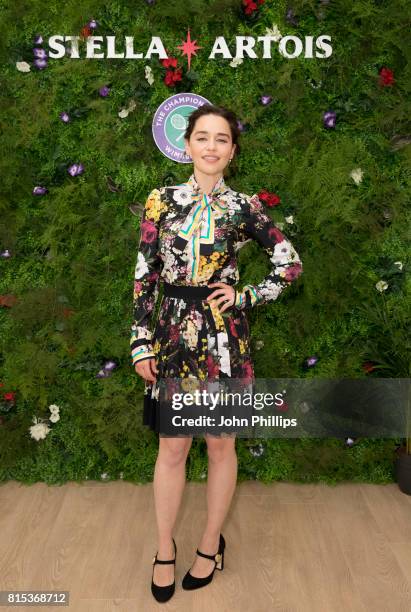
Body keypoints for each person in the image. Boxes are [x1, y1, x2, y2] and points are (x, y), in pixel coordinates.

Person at [130, 104, 303, 602]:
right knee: (172, 448)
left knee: (220, 445)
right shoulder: (161, 200)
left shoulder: (244, 207)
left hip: (225, 341)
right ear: (186, 145)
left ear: (233, 150)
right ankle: (165, 549)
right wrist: (141, 338)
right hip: (170, 336)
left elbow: (288, 265)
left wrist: (246, 295)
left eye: (221, 139)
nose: (211, 147)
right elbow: (144, 273)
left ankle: (210, 543)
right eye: (202, 137)